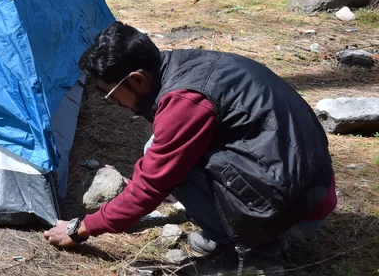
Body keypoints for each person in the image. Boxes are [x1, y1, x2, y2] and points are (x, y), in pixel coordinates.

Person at [44, 22, 336, 274]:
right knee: (156, 148)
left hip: (297, 209)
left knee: (174, 169)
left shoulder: (185, 102)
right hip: (303, 184)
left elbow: (149, 189)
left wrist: (80, 228)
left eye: (109, 94)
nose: (112, 102)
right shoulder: (181, 65)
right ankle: (229, 232)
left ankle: (256, 254)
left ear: (137, 79)